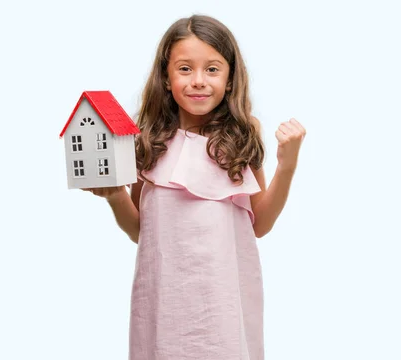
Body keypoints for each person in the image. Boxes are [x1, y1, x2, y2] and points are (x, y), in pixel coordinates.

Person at [84, 14, 305, 360]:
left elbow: (259, 224)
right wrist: (113, 196)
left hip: (223, 303)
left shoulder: (242, 135)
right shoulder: (149, 139)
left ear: (231, 78)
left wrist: (287, 166)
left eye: (212, 69)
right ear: (166, 77)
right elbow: (140, 230)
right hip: (164, 302)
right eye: (185, 69)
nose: (198, 81)